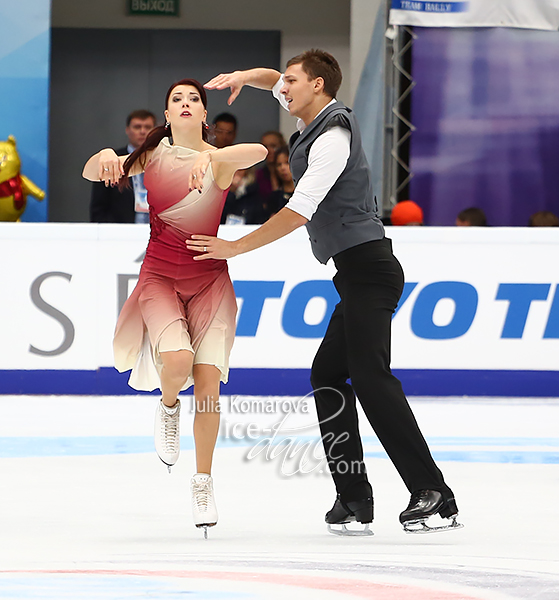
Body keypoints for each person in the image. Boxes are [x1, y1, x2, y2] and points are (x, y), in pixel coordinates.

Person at [199, 49, 461, 536]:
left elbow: (299, 212)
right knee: (328, 374)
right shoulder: (311, 112)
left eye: (294, 83)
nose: (284, 90)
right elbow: (270, 76)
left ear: (318, 86)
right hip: (354, 272)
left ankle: (434, 493)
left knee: (370, 377)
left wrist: (233, 247)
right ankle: (355, 497)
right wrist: (241, 75)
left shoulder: (333, 137)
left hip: (370, 269)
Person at [82, 79, 267, 537]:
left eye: (194, 100)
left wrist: (211, 156)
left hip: (211, 286)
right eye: (176, 100)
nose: (185, 104)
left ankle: (203, 482)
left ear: (205, 113)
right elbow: (91, 171)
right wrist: (106, 153)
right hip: (160, 278)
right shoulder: (153, 156)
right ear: (167, 115)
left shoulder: (219, 163)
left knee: (207, 386)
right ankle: (168, 406)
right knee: (178, 360)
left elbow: (259, 153)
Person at [89, 109, 157, 223]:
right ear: (127, 130)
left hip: (157, 232)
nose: (142, 131)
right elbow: (98, 208)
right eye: (137, 127)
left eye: (148, 127)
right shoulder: (111, 160)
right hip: (120, 232)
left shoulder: (164, 160)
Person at [268, 145, 294, 215]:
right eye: (279, 164)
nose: (283, 168)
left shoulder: (305, 194)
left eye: (287, 163)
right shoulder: (274, 197)